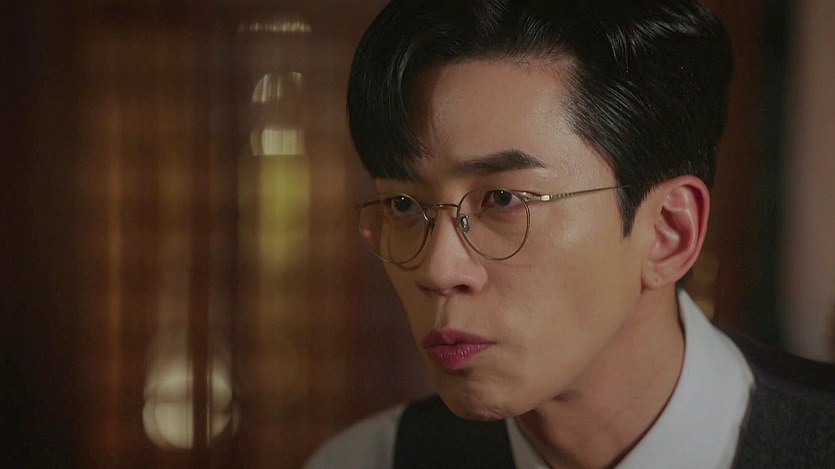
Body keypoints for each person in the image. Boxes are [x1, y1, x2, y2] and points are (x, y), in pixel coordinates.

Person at [306, 0, 835, 467]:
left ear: (668, 231)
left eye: (503, 199)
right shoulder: (369, 460)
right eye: (403, 204)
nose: (438, 270)